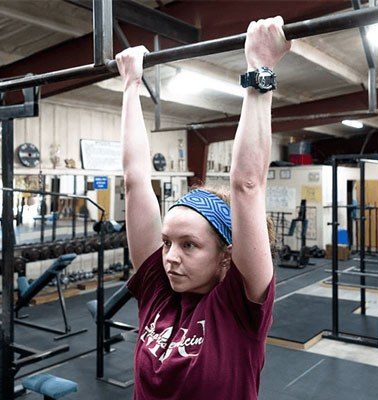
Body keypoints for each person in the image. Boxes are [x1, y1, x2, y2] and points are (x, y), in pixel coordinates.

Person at [116, 16, 291, 400]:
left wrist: (260, 67)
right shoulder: (158, 291)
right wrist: (130, 85)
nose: (170, 258)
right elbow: (134, 181)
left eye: (188, 245)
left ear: (226, 257)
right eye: (166, 243)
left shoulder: (238, 307)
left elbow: (247, 185)